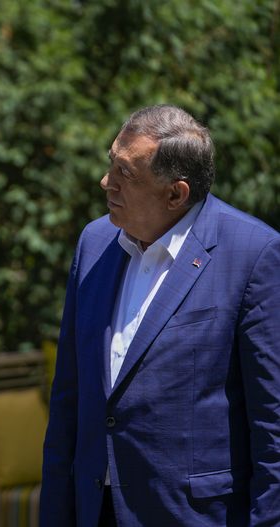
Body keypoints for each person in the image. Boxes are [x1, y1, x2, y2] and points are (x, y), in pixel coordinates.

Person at [40, 104, 280, 526]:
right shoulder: (95, 243)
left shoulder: (254, 255)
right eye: (110, 164)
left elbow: (273, 425)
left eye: (125, 173)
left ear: (176, 194)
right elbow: (69, 402)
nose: (105, 182)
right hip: (96, 509)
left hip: (194, 515)